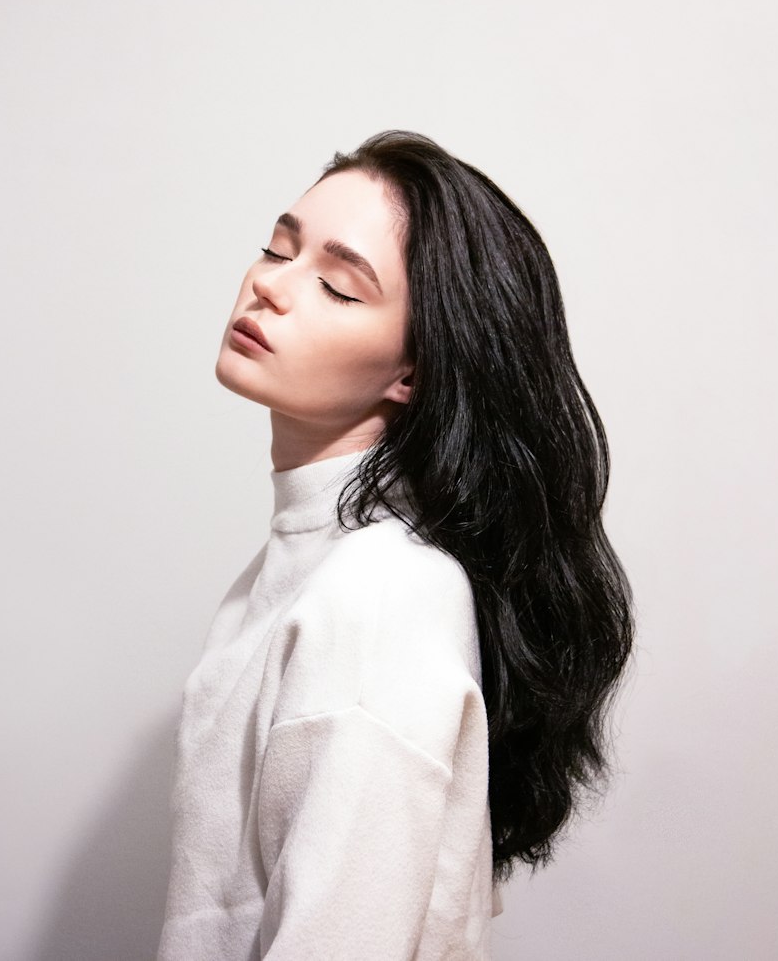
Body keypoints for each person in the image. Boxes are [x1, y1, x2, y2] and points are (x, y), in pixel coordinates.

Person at [155, 128, 635, 960]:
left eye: (339, 287)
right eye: (278, 247)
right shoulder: (301, 570)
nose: (271, 286)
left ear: (411, 373)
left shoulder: (380, 593)